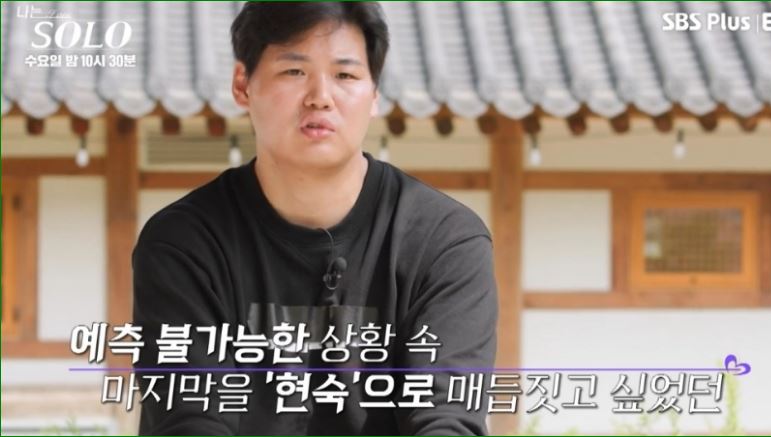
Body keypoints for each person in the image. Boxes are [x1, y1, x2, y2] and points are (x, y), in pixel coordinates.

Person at [132, 2, 498, 435]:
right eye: (294, 71)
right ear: (242, 84)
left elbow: (448, 418)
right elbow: (188, 420)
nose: (320, 97)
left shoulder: (444, 242)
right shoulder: (184, 243)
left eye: (345, 75)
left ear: (374, 94)